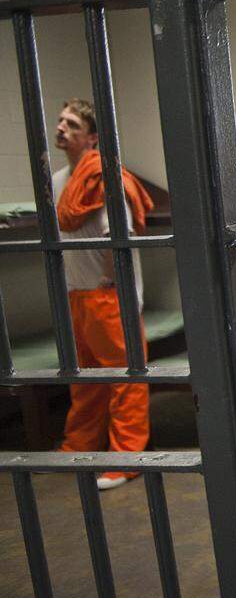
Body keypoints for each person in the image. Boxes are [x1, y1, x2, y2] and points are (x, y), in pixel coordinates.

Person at [53, 98, 155, 491]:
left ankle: (125, 460)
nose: (62, 128)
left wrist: (113, 283)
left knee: (126, 380)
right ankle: (78, 448)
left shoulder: (104, 175)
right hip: (78, 293)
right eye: (61, 121)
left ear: (93, 137)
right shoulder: (61, 178)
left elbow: (121, 235)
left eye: (73, 124)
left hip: (109, 295)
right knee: (85, 381)